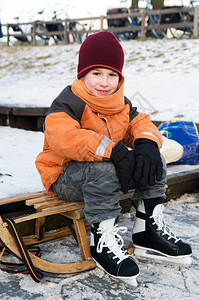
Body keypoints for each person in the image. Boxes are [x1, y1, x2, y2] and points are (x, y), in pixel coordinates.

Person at [35, 31, 192, 287]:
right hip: (64, 177)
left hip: (104, 172)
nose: (104, 82)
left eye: (112, 75)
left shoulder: (120, 103)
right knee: (104, 169)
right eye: (96, 73)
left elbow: (140, 123)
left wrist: (146, 142)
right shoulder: (67, 103)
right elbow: (64, 137)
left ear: (120, 77)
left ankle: (147, 229)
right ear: (82, 74)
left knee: (154, 160)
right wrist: (114, 150)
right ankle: (102, 241)